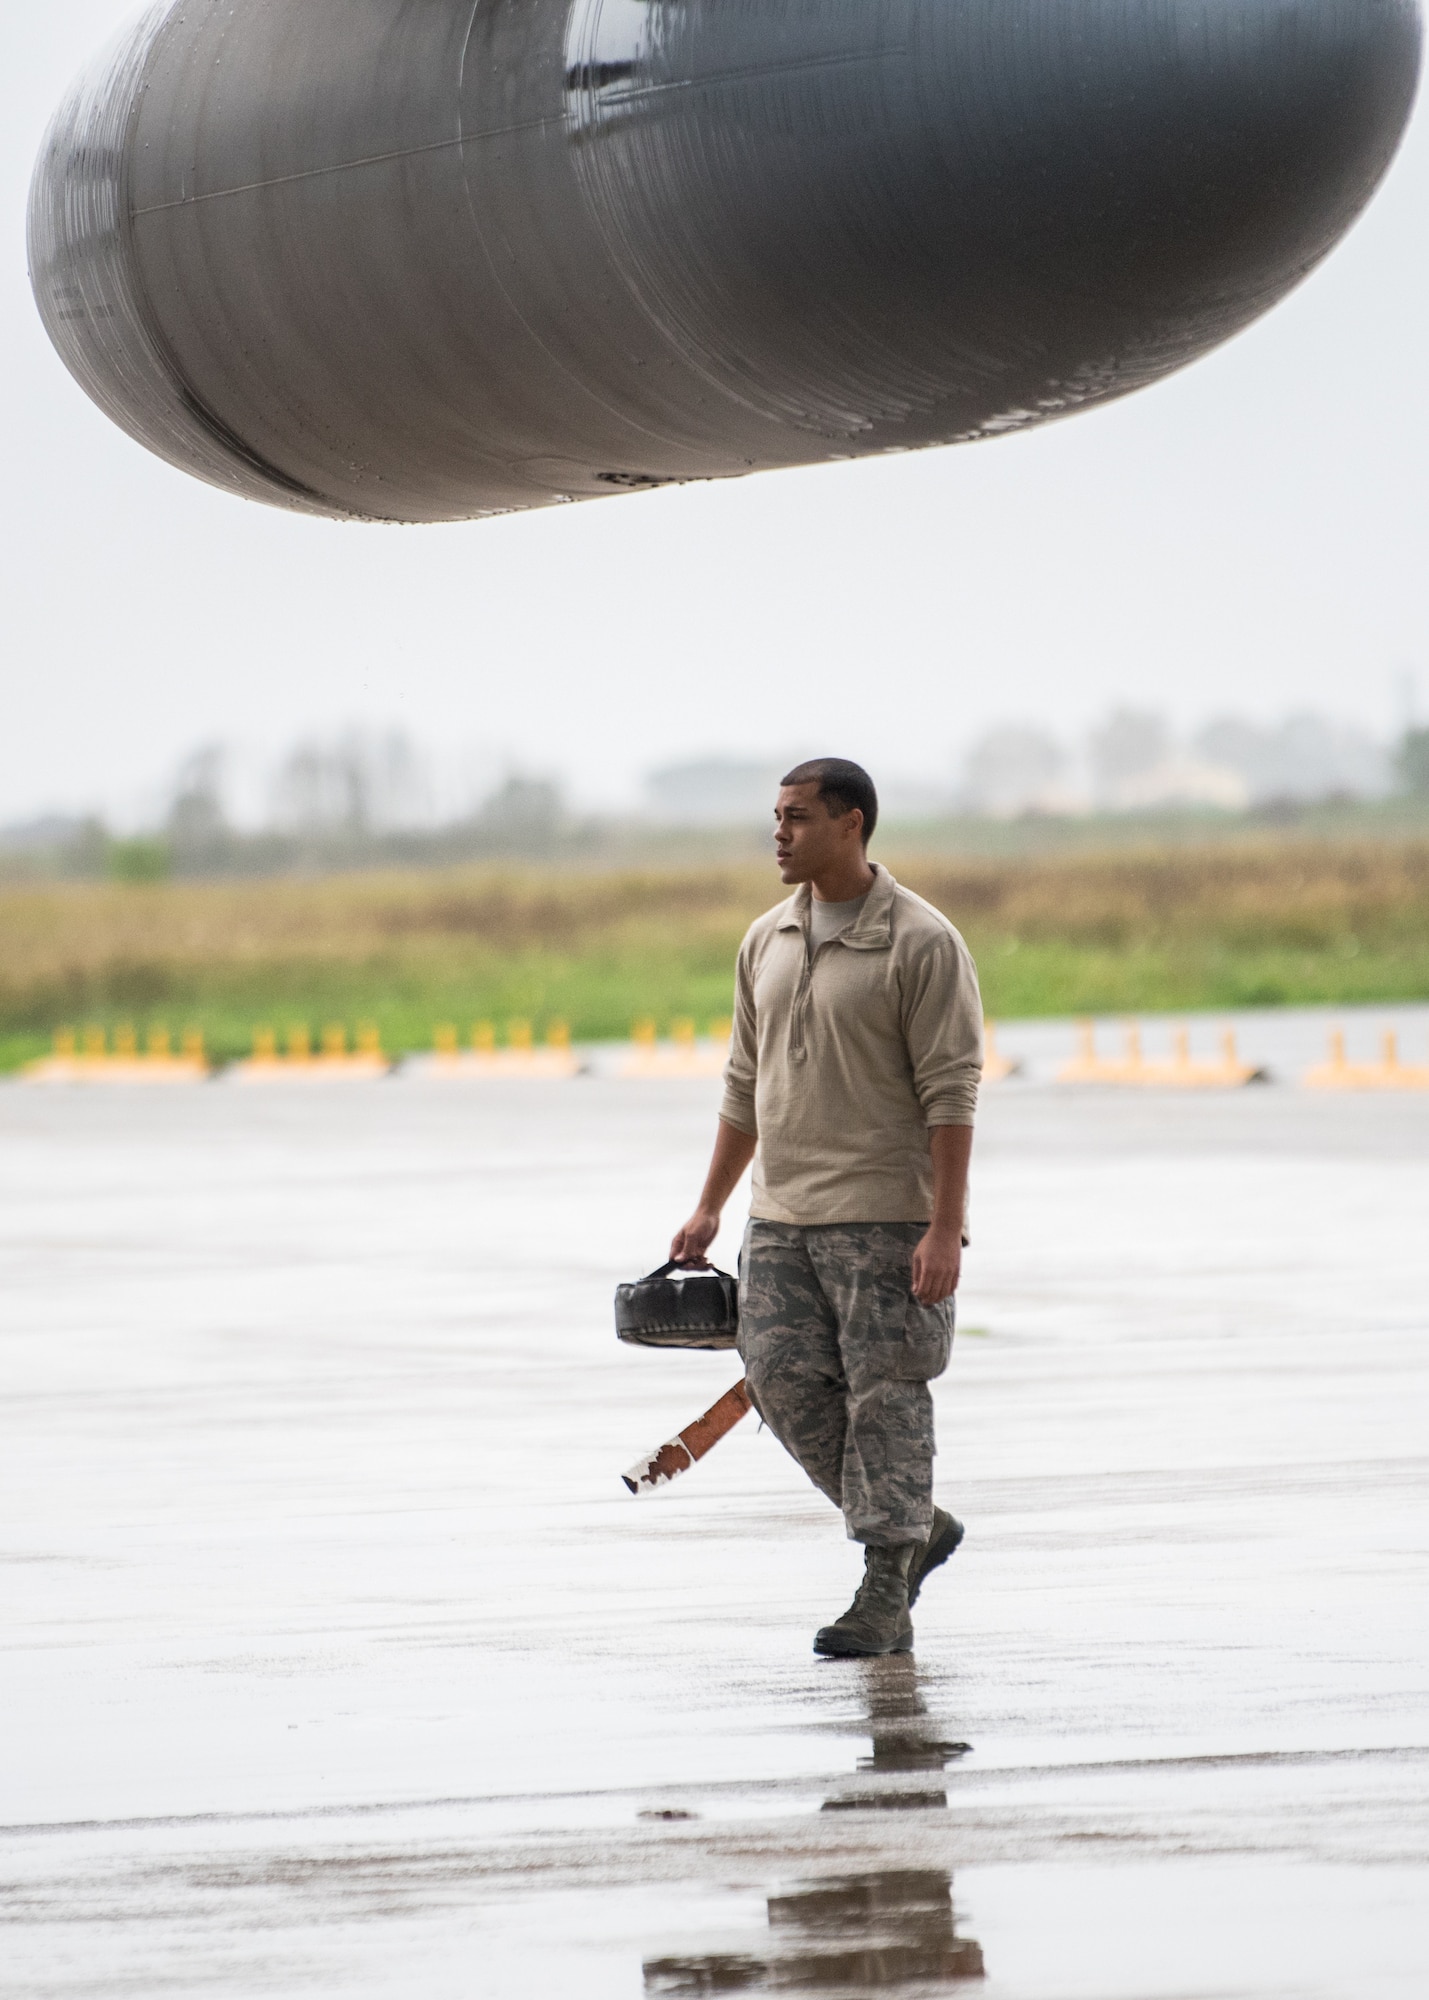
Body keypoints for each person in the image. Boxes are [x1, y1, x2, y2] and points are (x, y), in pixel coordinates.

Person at [671, 757, 982, 1657]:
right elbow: (743, 1084)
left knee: (888, 1398)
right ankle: (915, 1522)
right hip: (780, 1219)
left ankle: (883, 1589)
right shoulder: (765, 939)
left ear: (850, 824)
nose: (778, 832)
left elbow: (951, 1094)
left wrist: (941, 1224)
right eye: (775, 815)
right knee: (779, 1383)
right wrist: (708, 1210)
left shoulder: (919, 942)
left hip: (886, 1219)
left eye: (797, 817)